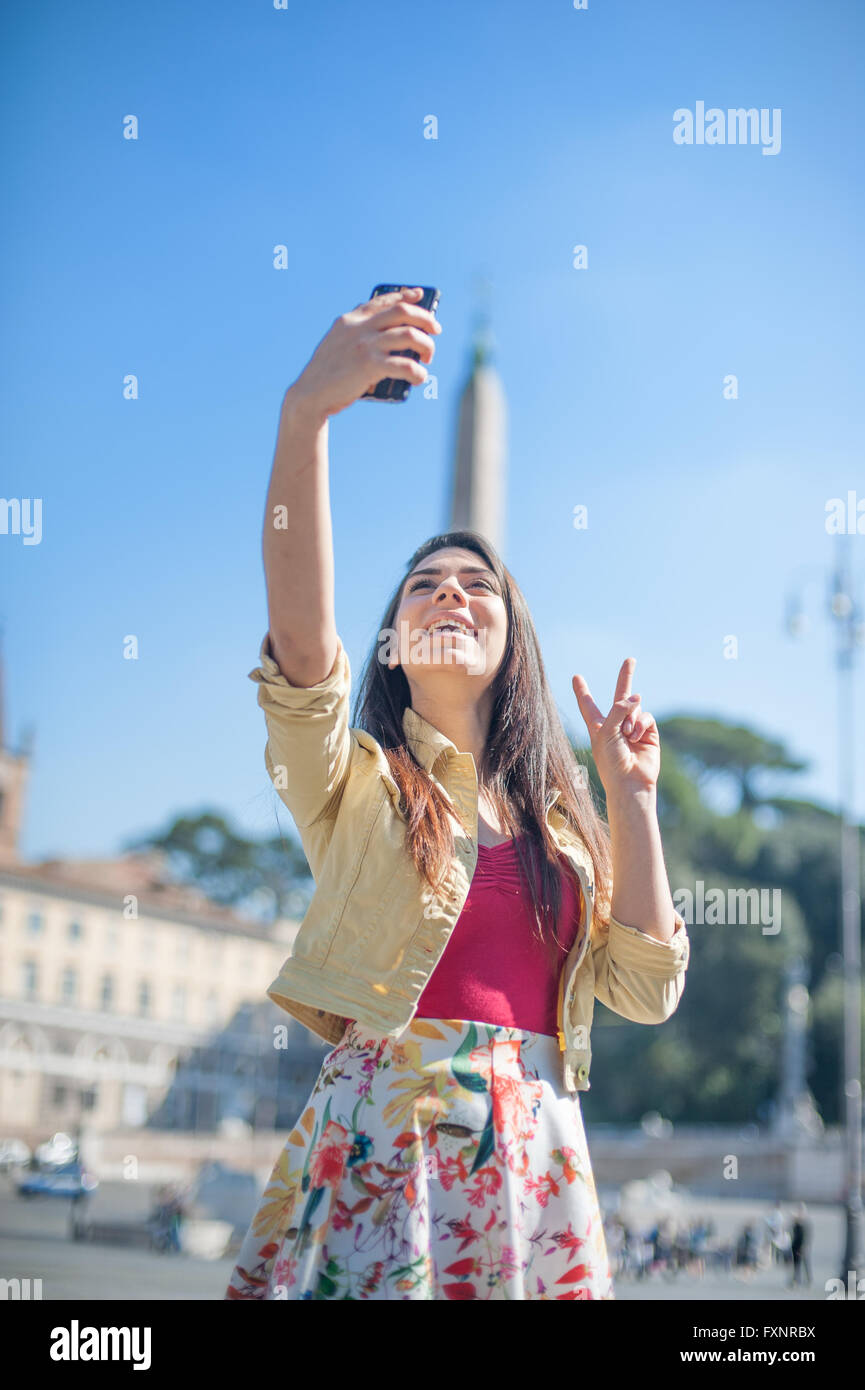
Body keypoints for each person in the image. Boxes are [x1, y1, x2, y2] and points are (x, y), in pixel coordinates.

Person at [224, 287, 691, 1301]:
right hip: (386, 1130)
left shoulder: (564, 824)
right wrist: (306, 412)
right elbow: (301, 643)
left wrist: (631, 800)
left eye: (476, 584)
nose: (449, 590)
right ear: (390, 644)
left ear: (510, 639)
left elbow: (647, 988)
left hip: (534, 1143)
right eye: (423, 583)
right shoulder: (355, 782)